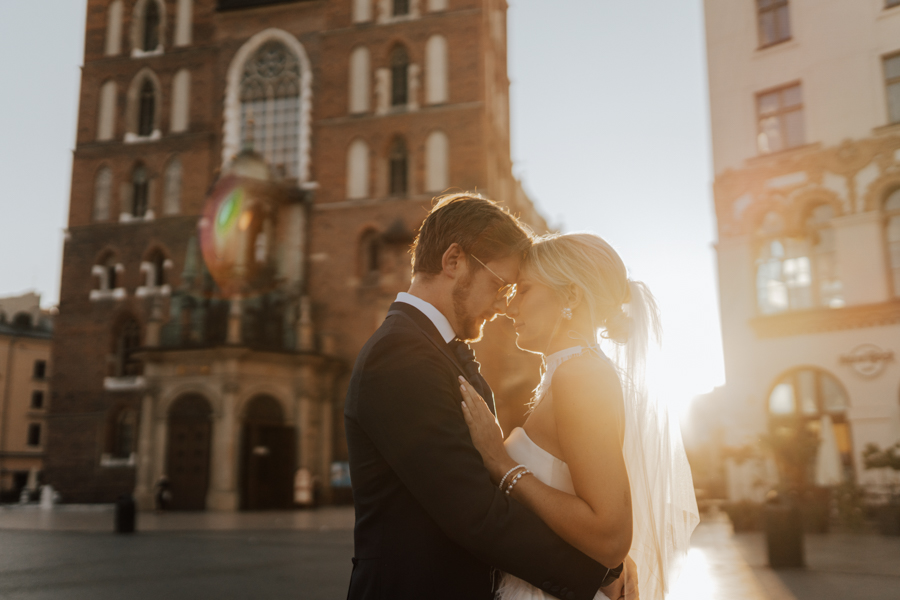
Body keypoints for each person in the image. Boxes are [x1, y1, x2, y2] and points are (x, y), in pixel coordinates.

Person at [344, 195, 635, 600]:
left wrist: (598, 552)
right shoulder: (400, 355)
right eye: (500, 285)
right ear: (453, 261)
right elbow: (474, 511)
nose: (504, 305)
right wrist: (597, 574)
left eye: (517, 290)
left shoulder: (436, 350)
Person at [460, 233, 699, 600]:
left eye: (524, 291)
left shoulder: (580, 376)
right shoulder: (570, 372)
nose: (510, 308)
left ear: (571, 296)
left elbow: (610, 537)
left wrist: (501, 465)